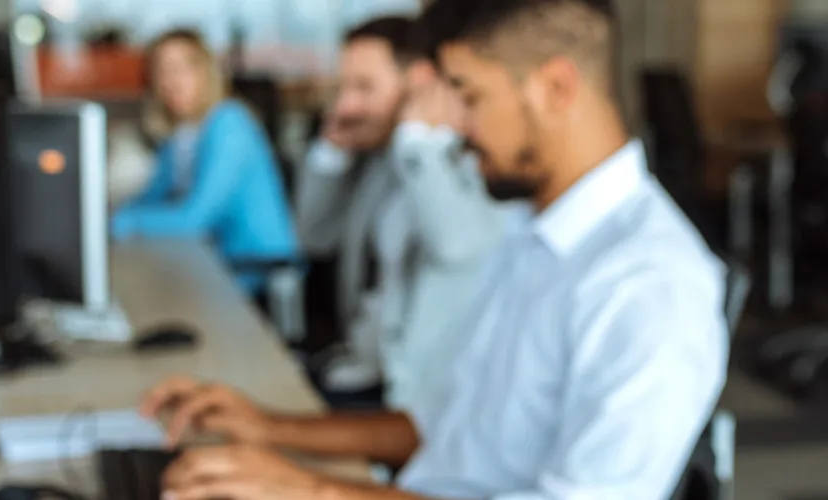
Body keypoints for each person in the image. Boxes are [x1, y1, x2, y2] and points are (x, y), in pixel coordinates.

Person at [142, 1, 728, 499]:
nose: (454, 126)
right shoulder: (533, 232)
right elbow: (441, 426)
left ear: (555, 88)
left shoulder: (650, 282)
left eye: (468, 97)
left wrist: (308, 489)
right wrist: (268, 429)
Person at [293, 17, 512, 410]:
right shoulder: (380, 160)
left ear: (419, 82)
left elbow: (457, 246)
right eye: (342, 88)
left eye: (363, 87)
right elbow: (314, 236)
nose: (345, 105)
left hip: (416, 403)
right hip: (359, 370)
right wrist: (331, 153)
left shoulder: (463, 159)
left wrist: (416, 140)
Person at [116, 29, 299, 293]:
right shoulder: (182, 133)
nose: (171, 80)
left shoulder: (230, 123)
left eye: (182, 68)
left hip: (257, 270)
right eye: (161, 70)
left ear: (206, 73)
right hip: (214, 260)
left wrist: (125, 222)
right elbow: (154, 196)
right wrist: (111, 214)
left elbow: (193, 219)